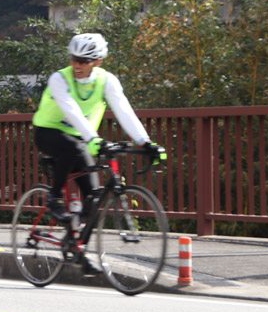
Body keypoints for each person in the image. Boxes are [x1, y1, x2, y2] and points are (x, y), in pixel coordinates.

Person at [32, 33, 167, 222]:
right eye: (73, 59)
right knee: (74, 148)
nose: (76, 65)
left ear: (98, 61)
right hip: (48, 131)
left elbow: (124, 111)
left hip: (81, 138)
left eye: (83, 61)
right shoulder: (59, 79)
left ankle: (77, 244)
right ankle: (55, 198)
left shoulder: (107, 81)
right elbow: (72, 111)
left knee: (93, 196)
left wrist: (145, 142)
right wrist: (93, 139)